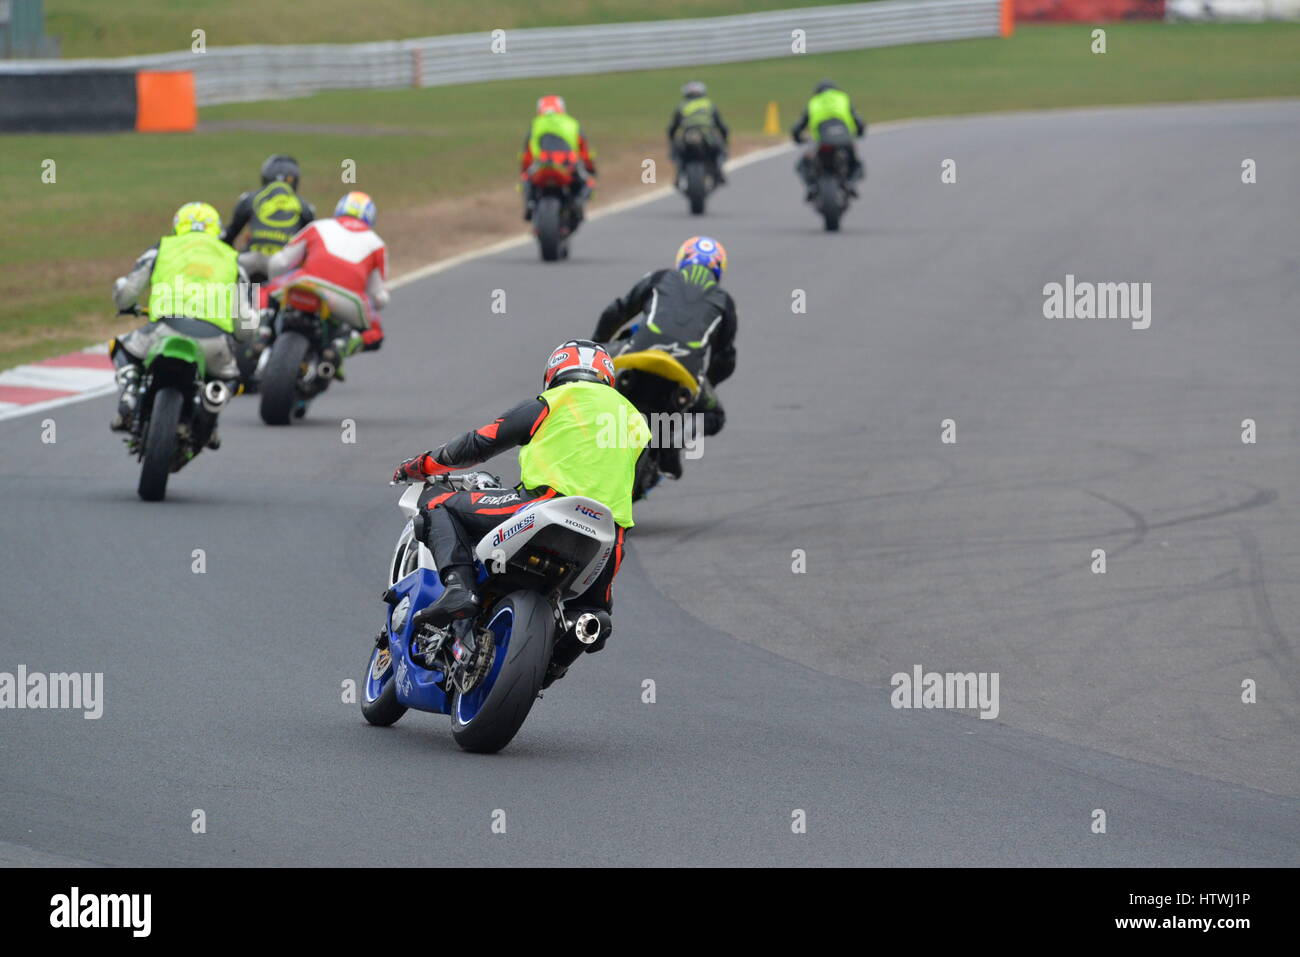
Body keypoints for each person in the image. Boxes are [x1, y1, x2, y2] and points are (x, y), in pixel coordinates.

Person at [392, 340, 651, 685]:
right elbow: (629, 483)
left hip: (545, 505)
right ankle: (551, 668)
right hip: (608, 536)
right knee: (594, 617)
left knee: (438, 506)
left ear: (554, 373)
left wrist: (420, 464)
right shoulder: (637, 421)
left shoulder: (554, 401)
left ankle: (459, 589)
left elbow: (480, 442)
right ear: (608, 378)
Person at [592, 236, 736, 480]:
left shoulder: (660, 278)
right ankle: (673, 444)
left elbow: (616, 311)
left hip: (638, 354)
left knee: (589, 373)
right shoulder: (725, 302)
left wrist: (596, 345)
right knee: (715, 415)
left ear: (682, 260)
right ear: (719, 270)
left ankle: (575, 421)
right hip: (684, 370)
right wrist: (706, 382)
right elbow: (725, 359)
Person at [109, 201, 253, 445]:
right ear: (216, 230)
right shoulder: (233, 260)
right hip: (214, 340)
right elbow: (245, 324)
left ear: (178, 227)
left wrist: (124, 305)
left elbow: (127, 292)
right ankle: (212, 406)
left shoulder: (162, 248)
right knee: (231, 378)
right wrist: (240, 337)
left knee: (121, 347)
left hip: (166, 328)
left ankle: (130, 393)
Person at [263, 190, 388, 368]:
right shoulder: (377, 244)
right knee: (376, 333)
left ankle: (262, 332)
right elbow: (378, 296)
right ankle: (340, 348)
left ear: (339, 209)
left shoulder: (318, 226)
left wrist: (275, 281)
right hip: (348, 301)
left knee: (264, 293)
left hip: (305, 284)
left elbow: (280, 262)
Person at [221, 154, 315, 279]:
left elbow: (229, 236)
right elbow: (310, 247)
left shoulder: (249, 199)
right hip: (283, 266)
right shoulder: (305, 207)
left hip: (250, 263)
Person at [519, 95, 597, 223]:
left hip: (542, 163)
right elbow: (585, 151)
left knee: (526, 180)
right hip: (568, 163)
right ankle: (577, 204)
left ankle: (529, 205)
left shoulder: (536, 123)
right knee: (587, 183)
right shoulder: (572, 123)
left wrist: (524, 169)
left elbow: (527, 155)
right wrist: (590, 168)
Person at [790, 79, 866, 200]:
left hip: (821, 141)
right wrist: (860, 132)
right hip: (844, 140)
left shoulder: (814, 102)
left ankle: (811, 186)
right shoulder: (843, 98)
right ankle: (851, 183)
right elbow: (859, 122)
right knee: (856, 163)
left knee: (803, 164)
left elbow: (798, 127)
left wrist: (798, 138)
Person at [667, 80, 729, 185]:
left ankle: (678, 175)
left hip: (688, 135)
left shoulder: (682, 105)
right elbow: (721, 125)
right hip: (707, 135)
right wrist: (725, 139)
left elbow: (673, 127)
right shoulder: (708, 104)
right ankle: (719, 172)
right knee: (720, 150)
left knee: (677, 153)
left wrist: (672, 140)